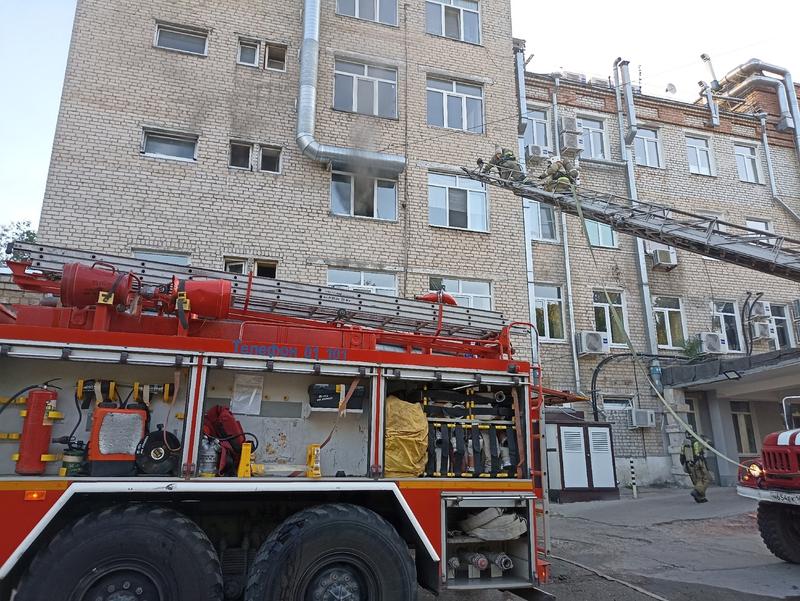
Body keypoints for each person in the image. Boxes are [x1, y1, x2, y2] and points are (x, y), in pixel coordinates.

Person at [680, 432, 712, 503]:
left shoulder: (684, 443)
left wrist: (685, 464)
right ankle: (696, 491)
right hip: (699, 463)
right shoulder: (698, 441)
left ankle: (700, 498)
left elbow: (681, 456)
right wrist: (706, 440)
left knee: (698, 481)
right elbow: (709, 447)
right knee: (707, 479)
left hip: (689, 464)